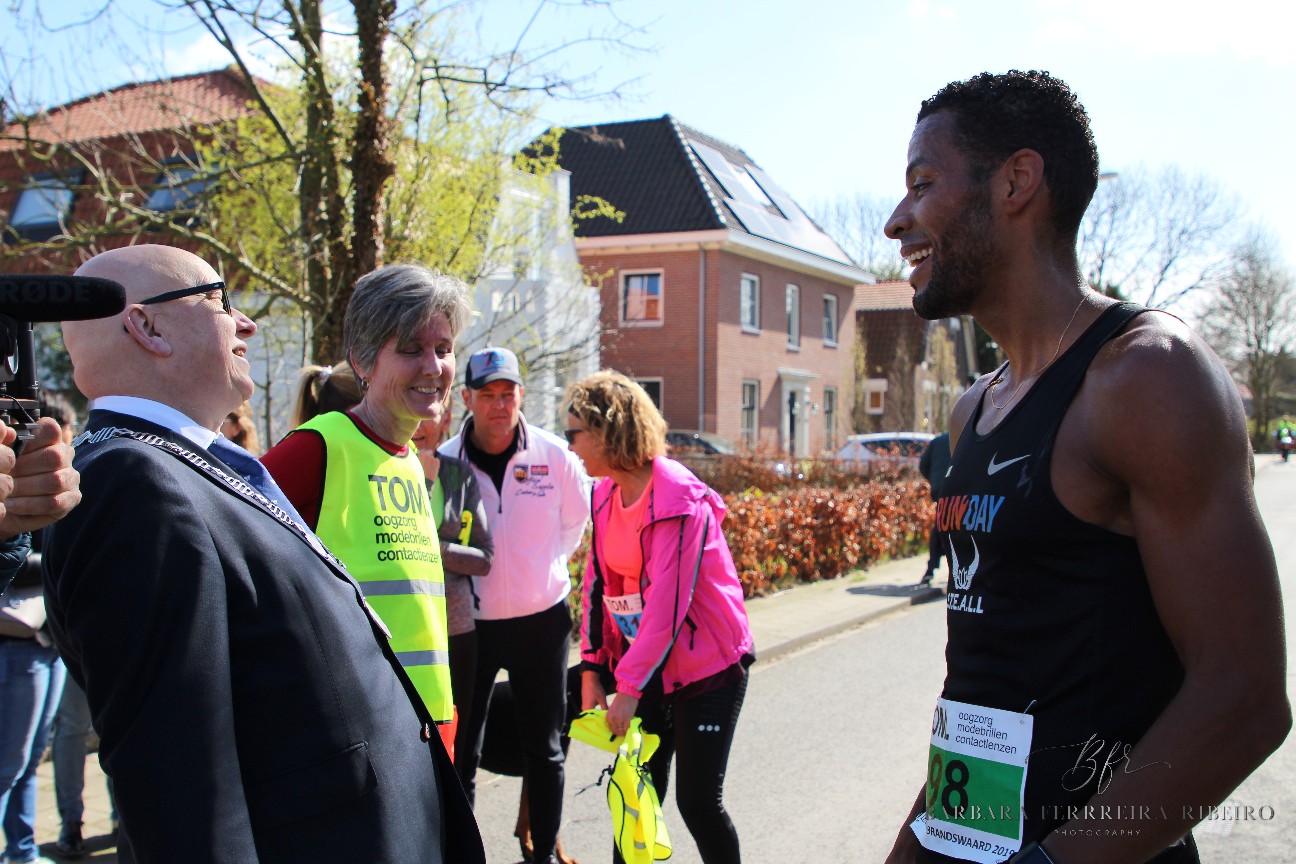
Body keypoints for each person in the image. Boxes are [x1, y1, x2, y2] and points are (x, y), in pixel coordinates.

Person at [881, 71, 1289, 864]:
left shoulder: (1147, 377)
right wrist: (917, 848)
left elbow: (1244, 699)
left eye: (922, 184)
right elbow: (989, 693)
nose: (898, 220)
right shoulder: (974, 409)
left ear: (1016, 183)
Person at [43, 245, 484, 864]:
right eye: (219, 302)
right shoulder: (133, 483)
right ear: (146, 327)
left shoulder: (183, 466)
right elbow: (180, 780)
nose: (246, 323)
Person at [263, 264, 469, 735]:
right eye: (411, 349)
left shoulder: (409, 460)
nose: (433, 367)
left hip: (428, 725)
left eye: (443, 349)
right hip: (358, 733)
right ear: (362, 361)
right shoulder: (317, 447)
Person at [566, 370, 754, 864]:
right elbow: (597, 584)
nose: (570, 445)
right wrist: (592, 667)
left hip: (708, 666)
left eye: (574, 433)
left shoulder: (679, 501)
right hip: (648, 665)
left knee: (698, 803)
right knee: (635, 793)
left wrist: (627, 689)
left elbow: (668, 606)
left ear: (606, 432)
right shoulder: (604, 494)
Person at [439, 346, 590, 864]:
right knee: (463, 752)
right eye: (488, 395)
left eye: (509, 394)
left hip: (541, 623)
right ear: (467, 399)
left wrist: (538, 573)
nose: (500, 405)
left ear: (521, 396)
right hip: (471, 627)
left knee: (546, 750)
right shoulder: (447, 462)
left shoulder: (555, 456)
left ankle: (542, 854)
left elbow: (573, 525)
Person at [411, 408, 494, 764]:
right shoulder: (381, 468)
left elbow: (484, 559)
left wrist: (437, 549)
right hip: (404, 633)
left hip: (456, 630)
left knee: (459, 752)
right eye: (410, 413)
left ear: (445, 420)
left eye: (428, 416)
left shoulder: (459, 474)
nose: (418, 426)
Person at [917, 431, 951, 585]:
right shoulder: (964, 438)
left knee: (941, 523)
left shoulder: (937, 441)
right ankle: (935, 567)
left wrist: (934, 480)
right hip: (957, 486)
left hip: (939, 488)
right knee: (949, 525)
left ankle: (931, 568)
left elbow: (923, 464)